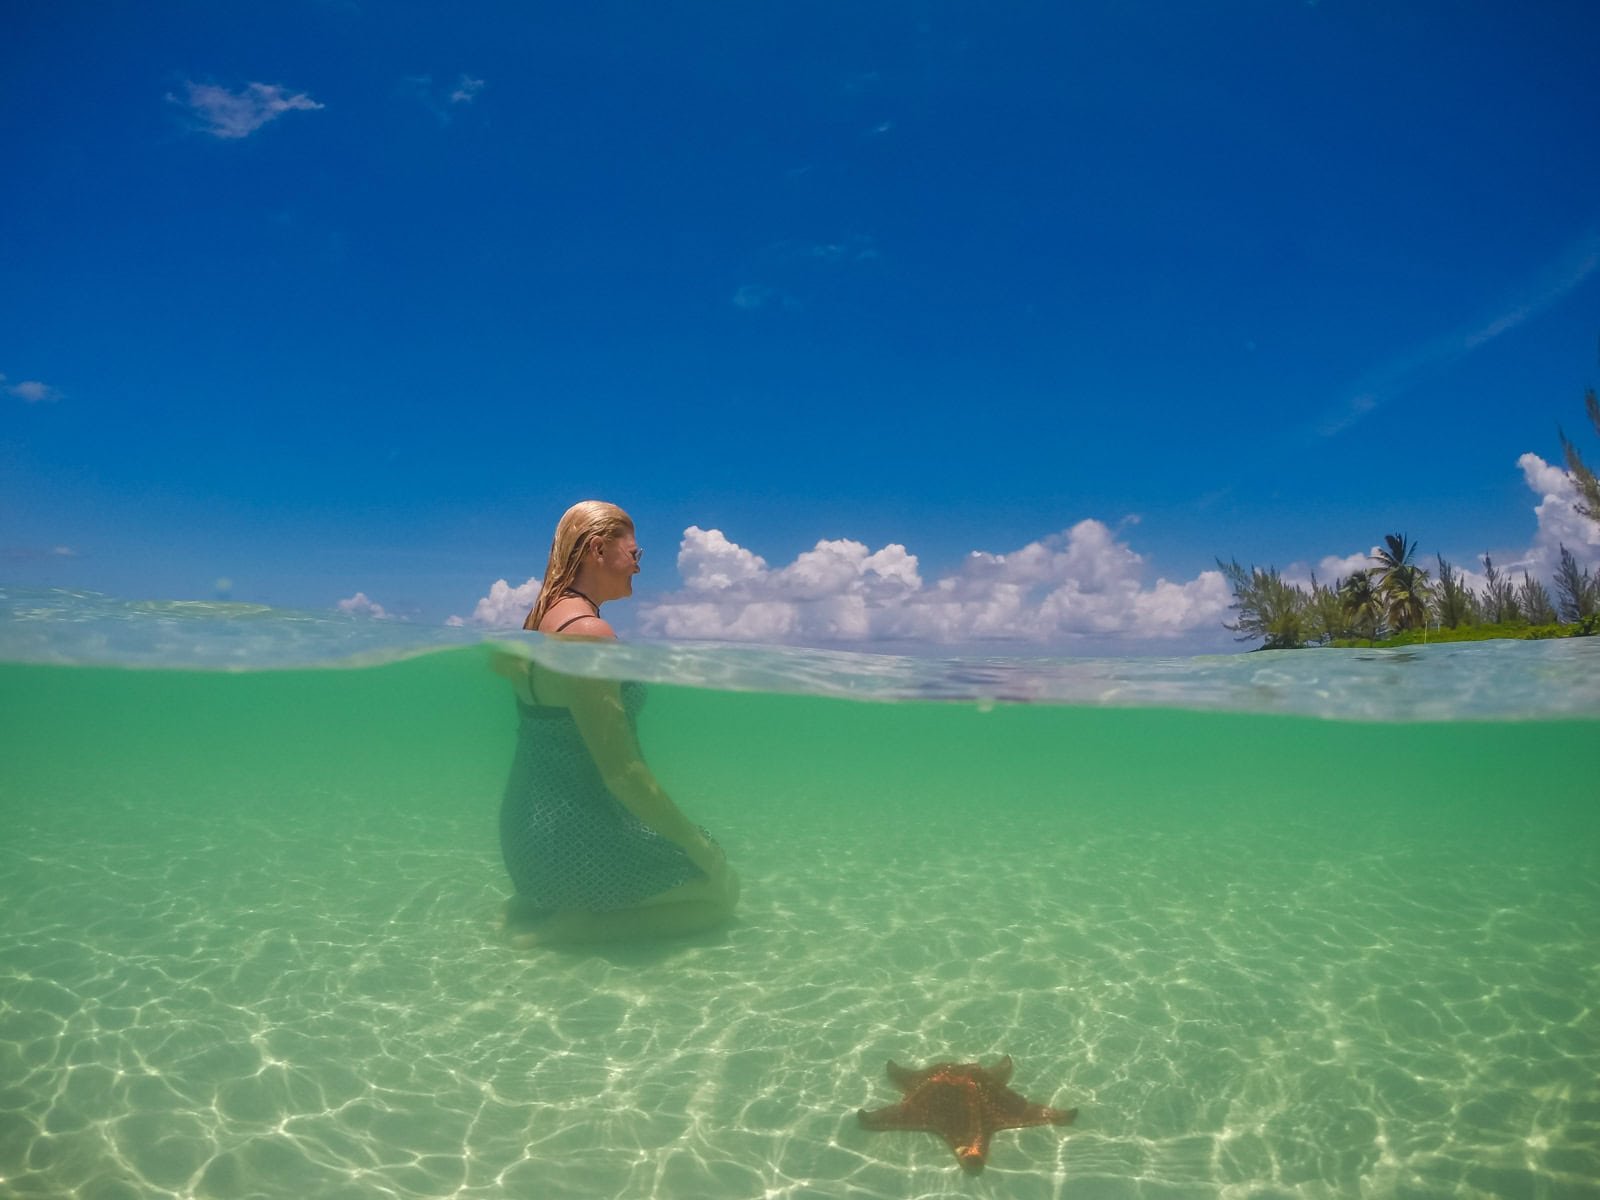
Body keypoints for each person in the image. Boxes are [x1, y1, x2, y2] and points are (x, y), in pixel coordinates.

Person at [492, 500, 739, 946]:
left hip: (526, 837)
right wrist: (699, 848)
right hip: (571, 844)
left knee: (694, 855)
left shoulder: (535, 625)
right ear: (597, 549)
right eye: (635, 555)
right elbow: (622, 774)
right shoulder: (588, 635)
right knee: (721, 895)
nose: (638, 568)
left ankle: (544, 907)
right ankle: (582, 927)